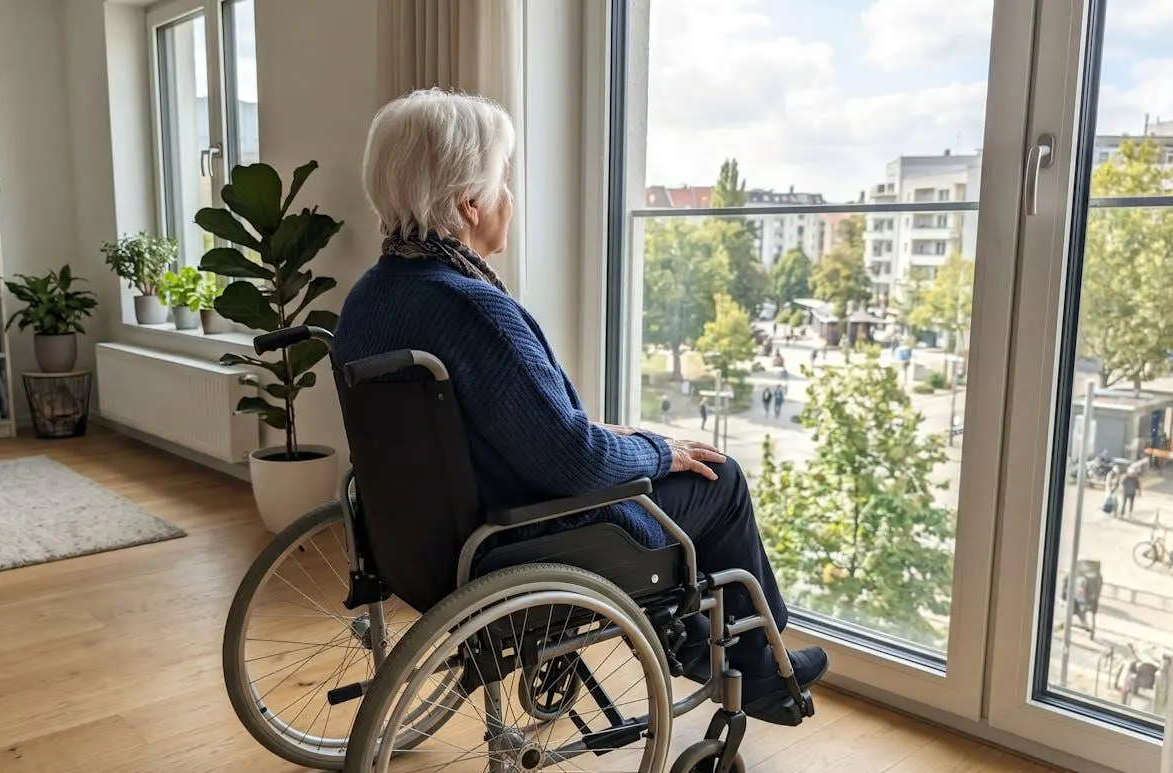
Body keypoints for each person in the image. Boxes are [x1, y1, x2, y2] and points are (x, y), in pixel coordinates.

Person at [336, 89, 826, 722]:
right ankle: (757, 665)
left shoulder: (371, 297)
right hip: (515, 534)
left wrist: (599, 435)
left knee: (659, 456)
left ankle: (715, 646)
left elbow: (482, 430)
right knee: (720, 477)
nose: (509, 197)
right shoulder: (471, 307)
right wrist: (656, 449)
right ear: (470, 203)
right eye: (502, 180)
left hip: (418, 536)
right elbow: (572, 462)